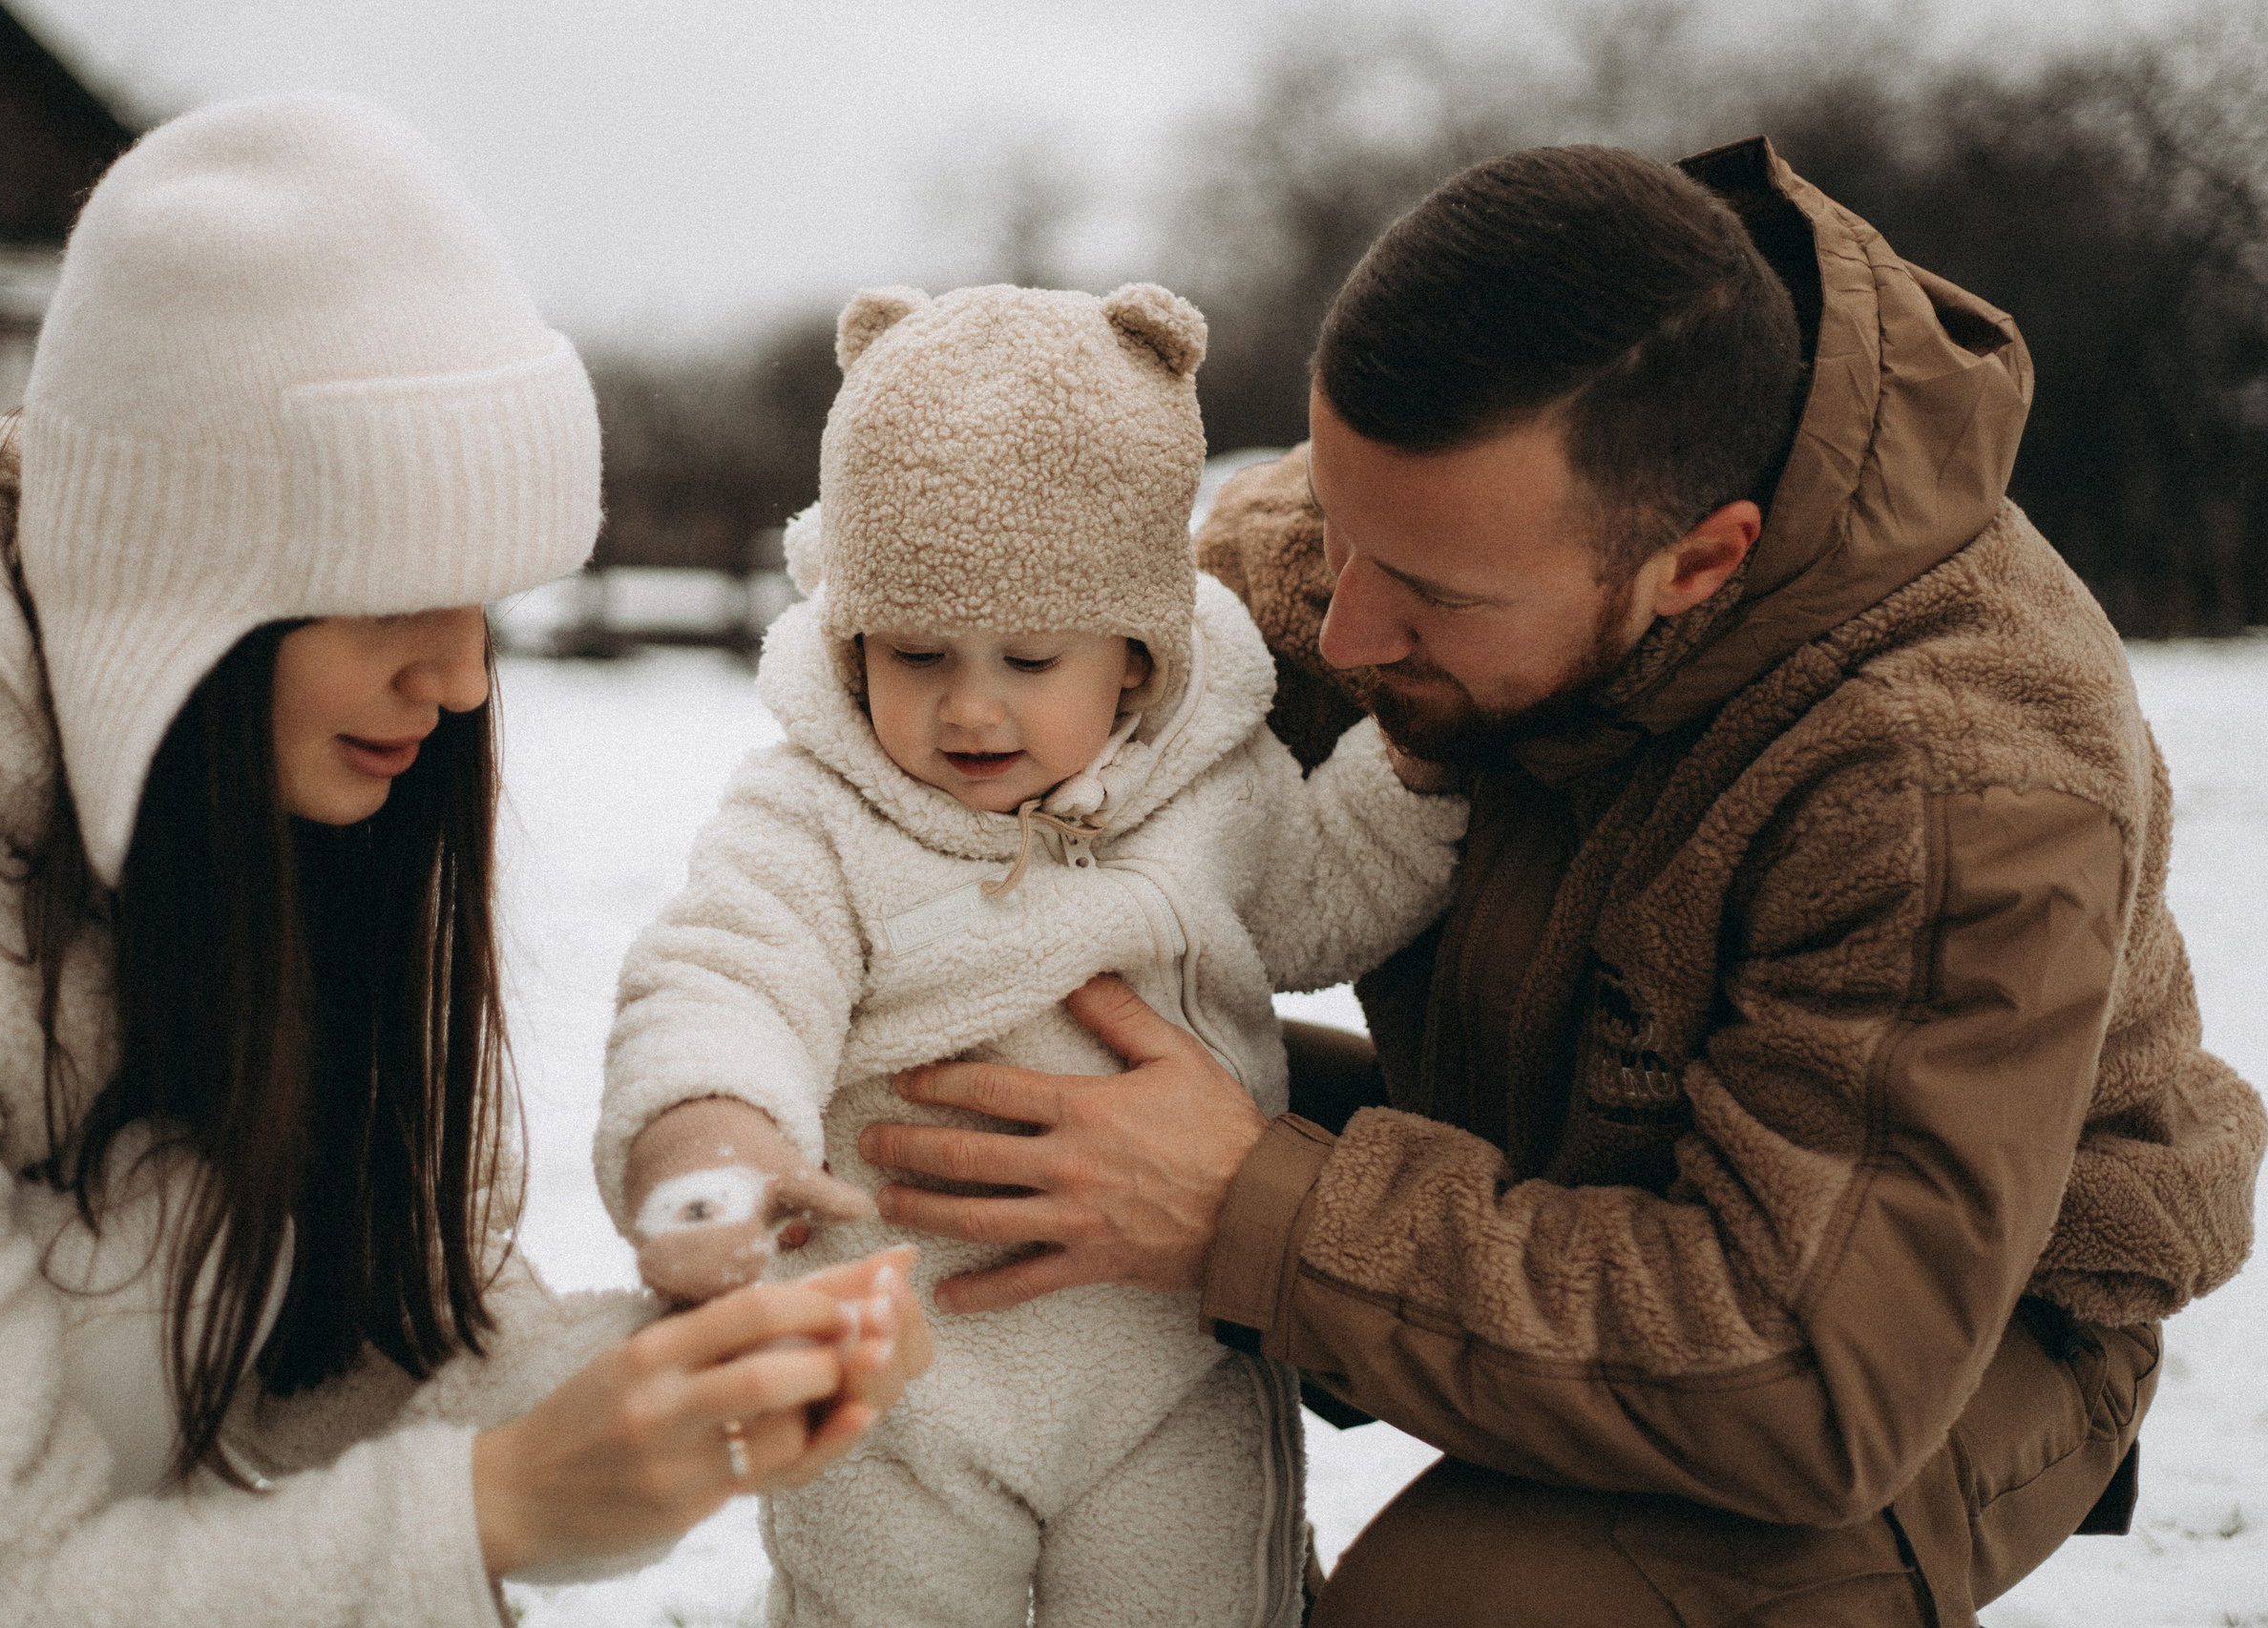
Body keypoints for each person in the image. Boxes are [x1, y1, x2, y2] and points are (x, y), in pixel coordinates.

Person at [855, 139, 2268, 1623]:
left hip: (1922, 1339)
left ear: (1698, 564)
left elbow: (1814, 1372)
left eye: (1435, 597)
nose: (1340, 630)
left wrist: (1251, 1209)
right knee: (1001, 1126)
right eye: (1339, 526)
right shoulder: (1430, 513)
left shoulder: (1951, 782)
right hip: (1560, 1145)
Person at [0, 94, 925, 1628]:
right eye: (399, 592)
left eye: (488, 603)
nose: (465, 680)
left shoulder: (276, 815)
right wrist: (501, 1509)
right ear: (190, 584)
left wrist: (662, 1387)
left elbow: (346, 1357)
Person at [594, 282, 1470, 1628]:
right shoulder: (817, 813)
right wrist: (708, 1129)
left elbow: (1319, 895)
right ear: (851, 637)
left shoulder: (1212, 785)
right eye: (917, 651)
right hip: (898, 1374)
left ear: (1133, 655)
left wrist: (1419, 771)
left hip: (1168, 1366)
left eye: (1029, 655)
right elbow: (729, 969)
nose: (969, 705)